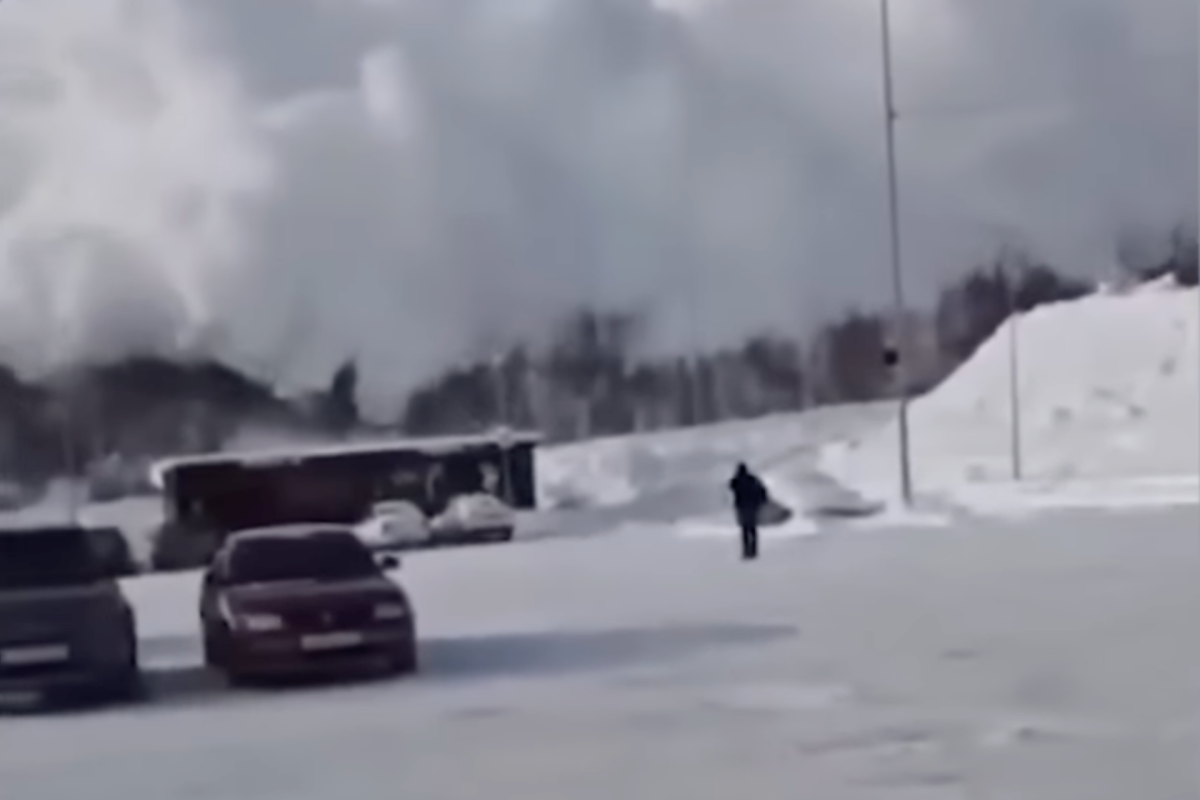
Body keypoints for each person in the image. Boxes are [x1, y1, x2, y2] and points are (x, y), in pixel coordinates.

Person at [728, 462, 768, 560]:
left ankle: (746, 551)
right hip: (753, 507)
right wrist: (762, 502)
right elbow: (762, 490)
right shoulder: (752, 479)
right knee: (752, 529)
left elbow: (731, 486)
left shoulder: (737, 480)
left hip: (742, 507)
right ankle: (753, 551)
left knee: (745, 530)